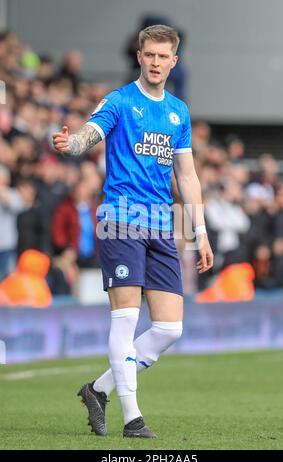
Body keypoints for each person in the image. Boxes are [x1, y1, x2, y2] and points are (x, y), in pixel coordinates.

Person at [53, 24, 213, 439]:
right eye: (150, 55)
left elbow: (188, 175)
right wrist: (72, 145)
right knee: (125, 319)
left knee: (169, 329)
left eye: (164, 56)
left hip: (164, 225)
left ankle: (98, 389)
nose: (156, 62)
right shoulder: (120, 101)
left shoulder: (178, 111)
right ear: (139, 57)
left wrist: (200, 231)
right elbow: (91, 132)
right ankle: (132, 418)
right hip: (120, 219)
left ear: (174, 62)